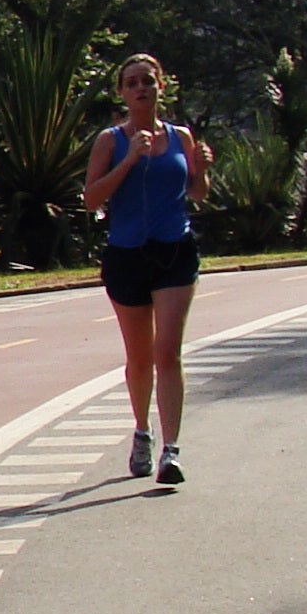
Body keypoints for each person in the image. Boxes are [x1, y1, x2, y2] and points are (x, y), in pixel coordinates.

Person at [85, 52, 206, 488]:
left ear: (161, 88)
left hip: (175, 250)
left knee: (167, 352)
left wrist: (202, 171)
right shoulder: (110, 140)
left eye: (148, 81)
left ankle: (171, 450)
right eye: (132, 82)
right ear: (122, 92)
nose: (141, 88)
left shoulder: (181, 137)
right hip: (126, 253)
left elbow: (197, 192)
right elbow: (92, 198)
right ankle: (142, 431)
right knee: (139, 358)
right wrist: (129, 160)